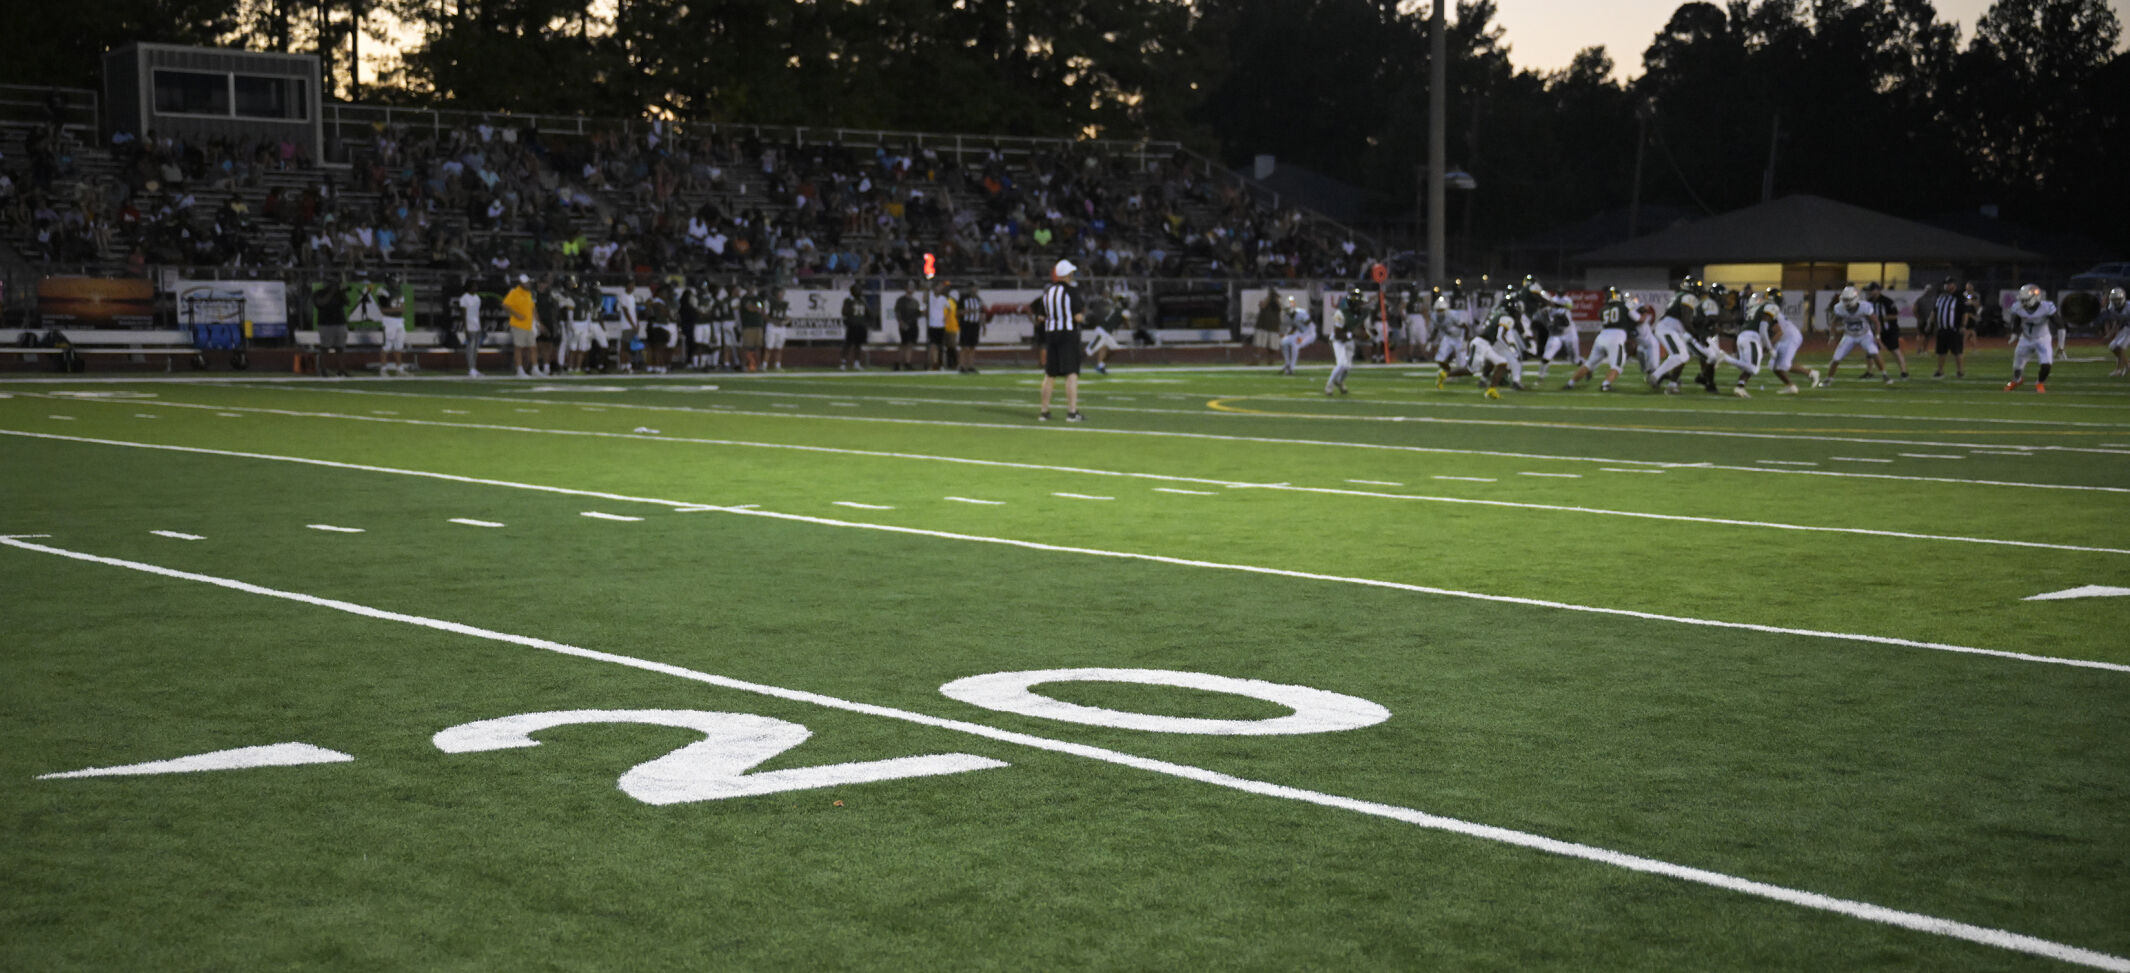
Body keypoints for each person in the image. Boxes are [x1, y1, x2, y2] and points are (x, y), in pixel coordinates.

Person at [1032, 259, 1084, 421]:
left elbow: (1040, 317)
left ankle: (1044, 411)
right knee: (1071, 373)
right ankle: (1072, 412)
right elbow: (1078, 317)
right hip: (1067, 335)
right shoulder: (1072, 292)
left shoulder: (1048, 293)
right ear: (1068, 275)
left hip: (1051, 335)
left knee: (1049, 374)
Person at [1819, 285, 1893, 386]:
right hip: (1849, 335)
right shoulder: (1839, 308)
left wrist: (1877, 336)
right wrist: (1832, 337)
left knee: (1874, 352)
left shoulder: (1865, 307)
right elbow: (1833, 323)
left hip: (1865, 334)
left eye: (1848, 299)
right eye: (1844, 299)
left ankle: (1885, 374)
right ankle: (1829, 379)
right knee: (1836, 357)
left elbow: (1876, 322)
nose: (1846, 302)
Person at [1749, 286, 1817, 394]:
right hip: (1784, 337)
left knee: (1783, 365)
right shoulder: (1772, 310)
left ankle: (1811, 373)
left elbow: (1778, 332)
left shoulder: (1770, 312)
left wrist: (1769, 346)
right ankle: (1791, 386)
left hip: (1790, 337)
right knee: (1774, 366)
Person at [1565, 287, 1634, 391]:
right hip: (1616, 337)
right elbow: (1633, 316)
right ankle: (1606, 385)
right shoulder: (1623, 306)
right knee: (1617, 365)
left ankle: (1570, 383)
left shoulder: (1603, 310)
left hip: (1602, 336)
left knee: (1589, 364)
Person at [2004, 283, 2058, 393]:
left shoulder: (2046, 307)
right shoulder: (2018, 307)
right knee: (2017, 365)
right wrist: (2014, 333)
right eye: (2022, 300)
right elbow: (2017, 319)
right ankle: (2017, 380)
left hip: (2042, 338)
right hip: (2026, 338)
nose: (2023, 303)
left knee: (2046, 364)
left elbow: (2059, 324)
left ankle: (2039, 383)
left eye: (2025, 300)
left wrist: (2061, 344)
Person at [1923, 276, 1972, 379]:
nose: (1947, 286)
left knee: (1957, 351)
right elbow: (1935, 311)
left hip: (1954, 328)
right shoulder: (1941, 296)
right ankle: (1940, 371)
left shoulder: (1960, 296)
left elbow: (1965, 313)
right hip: (1942, 329)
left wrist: (1963, 326)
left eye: (1949, 284)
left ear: (1954, 285)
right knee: (1941, 352)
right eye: (1946, 284)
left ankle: (1960, 371)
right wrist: (1929, 323)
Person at [1863, 282, 1907, 380]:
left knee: (1894, 350)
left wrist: (1880, 318)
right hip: (1875, 331)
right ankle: (1869, 372)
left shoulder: (1887, 301)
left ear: (1877, 290)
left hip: (1889, 331)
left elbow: (1895, 315)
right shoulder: (1868, 302)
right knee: (1870, 351)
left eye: (1871, 290)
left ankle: (1904, 372)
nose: (1869, 292)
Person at [312, 276, 350, 377]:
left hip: (340, 323)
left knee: (340, 348)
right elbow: (321, 303)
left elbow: (348, 302)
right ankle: (323, 369)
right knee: (325, 348)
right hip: (326, 324)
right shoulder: (319, 293)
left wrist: (341, 292)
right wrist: (331, 292)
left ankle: (341, 369)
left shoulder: (339, 294)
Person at [1325, 288, 1360, 395]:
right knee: (1341, 364)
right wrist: (1351, 334)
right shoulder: (1340, 313)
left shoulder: (1358, 313)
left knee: (1348, 366)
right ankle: (1329, 385)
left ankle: (1339, 381)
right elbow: (1338, 333)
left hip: (1348, 340)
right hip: (1338, 340)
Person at [502, 273, 538, 378]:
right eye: (526, 282)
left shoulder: (529, 293)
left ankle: (535, 369)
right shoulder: (514, 292)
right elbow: (505, 305)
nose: (528, 284)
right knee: (519, 348)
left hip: (529, 325)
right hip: (518, 325)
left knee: (533, 347)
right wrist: (516, 314)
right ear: (521, 283)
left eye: (528, 282)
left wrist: (536, 322)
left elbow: (532, 308)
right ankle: (519, 370)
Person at [1083, 290, 1127, 375]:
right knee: (1089, 351)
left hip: (1106, 332)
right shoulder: (1120, 310)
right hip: (1103, 332)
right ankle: (1074, 365)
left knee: (1113, 348)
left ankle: (1100, 366)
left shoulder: (1113, 307)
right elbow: (1125, 322)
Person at [1279, 295, 1316, 376]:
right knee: (1283, 342)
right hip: (1300, 333)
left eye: (1287, 309)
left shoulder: (1301, 313)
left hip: (1309, 333)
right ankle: (1287, 363)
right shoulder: (1289, 316)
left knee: (1295, 345)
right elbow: (1295, 326)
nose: (1286, 311)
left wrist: (1301, 337)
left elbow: (1309, 325)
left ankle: (1291, 369)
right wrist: (1287, 335)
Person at [456, 281, 484, 377]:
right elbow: (463, 314)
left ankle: (474, 367)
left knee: (475, 349)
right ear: (469, 287)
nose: (476, 287)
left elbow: (477, 313)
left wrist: (480, 325)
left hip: (477, 326)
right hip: (470, 326)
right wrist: (466, 328)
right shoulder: (464, 298)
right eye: (474, 285)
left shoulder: (477, 298)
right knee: (470, 348)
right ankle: (470, 368)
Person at [893, 282, 922, 371]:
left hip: (913, 324)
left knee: (910, 344)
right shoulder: (901, 300)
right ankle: (897, 362)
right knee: (904, 344)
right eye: (909, 287)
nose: (911, 289)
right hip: (905, 324)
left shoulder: (915, 302)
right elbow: (897, 312)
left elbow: (918, 314)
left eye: (912, 287)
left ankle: (907, 362)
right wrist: (900, 322)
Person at [956, 284, 985, 373]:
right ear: (970, 288)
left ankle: (971, 365)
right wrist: (968, 311)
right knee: (964, 346)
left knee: (972, 346)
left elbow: (981, 313)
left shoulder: (979, 300)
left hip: (975, 324)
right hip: (966, 324)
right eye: (974, 287)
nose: (975, 289)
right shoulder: (963, 298)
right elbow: (957, 312)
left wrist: (983, 326)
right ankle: (962, 365)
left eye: (977, 287)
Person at [840, 282, 870, 371]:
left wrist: (866, 321)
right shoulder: (848, 300)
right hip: (852, 325)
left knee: (858, 345)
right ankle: (843, 362)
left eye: (860, 289)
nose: (859, 291)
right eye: (857, 289)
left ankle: (857, 363)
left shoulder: (863, 300)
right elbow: (844, 312)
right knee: (848, 344)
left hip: (861, 325)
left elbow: (868, 312)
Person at [2100, 288, 2129, 377]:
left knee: (2120, 346)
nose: (2116, 302)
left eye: (2118, 299)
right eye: (2114, 300)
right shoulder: (2112, 307)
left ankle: (2119, 370)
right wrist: (2109, 335)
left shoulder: (2129, 306)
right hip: (2125, 328)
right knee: (2112, 346)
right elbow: (2117, 323)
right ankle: (2127, 365)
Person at [1252, 288, 1284, 366]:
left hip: (1273, 327)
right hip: (1262, 326)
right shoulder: (1264, 300)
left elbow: (1280, 308)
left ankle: (1271, 361)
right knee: (1259, 345)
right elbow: (1262, 306)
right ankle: (1256, 360)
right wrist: (1269, 297)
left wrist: (1275, 298)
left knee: (1272, 347)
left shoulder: (1278, 303)